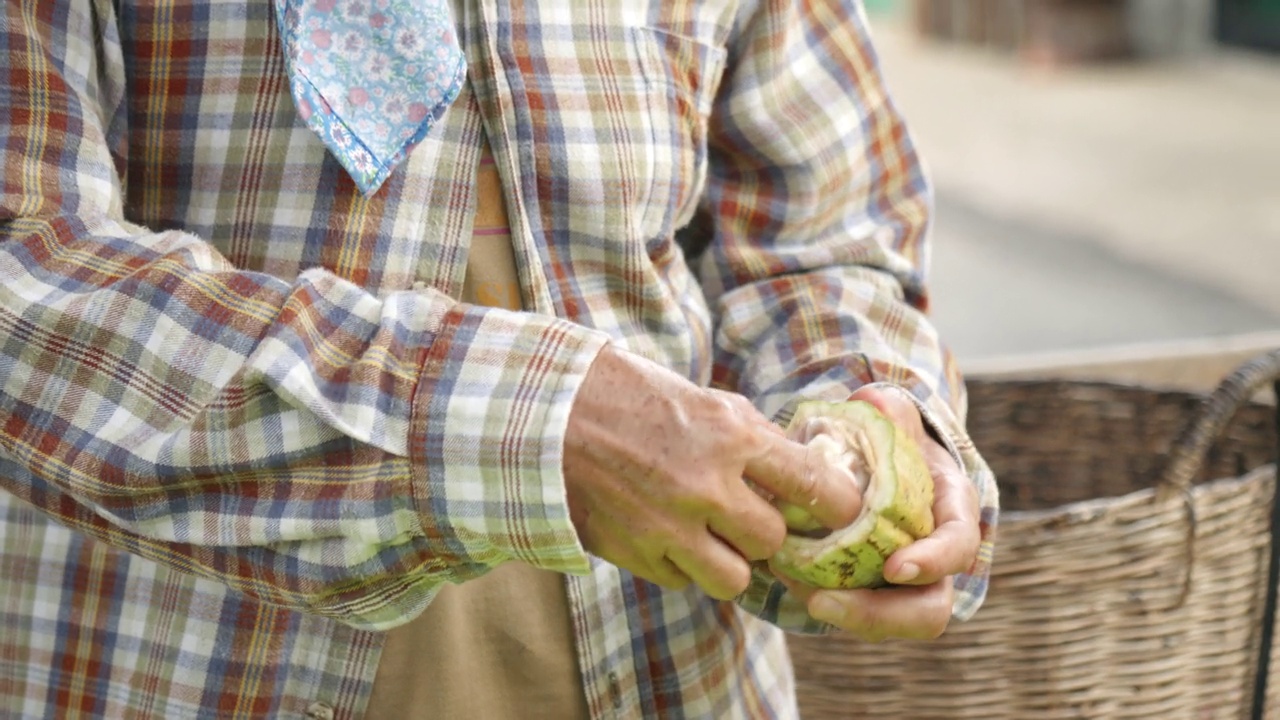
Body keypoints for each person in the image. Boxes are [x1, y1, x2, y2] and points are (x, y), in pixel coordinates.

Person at [0, 0, 998, 717]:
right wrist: (535, 426)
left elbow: (820, 240)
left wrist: (873, 425)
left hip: (675, 665)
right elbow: (24, 260)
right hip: (189, 661)